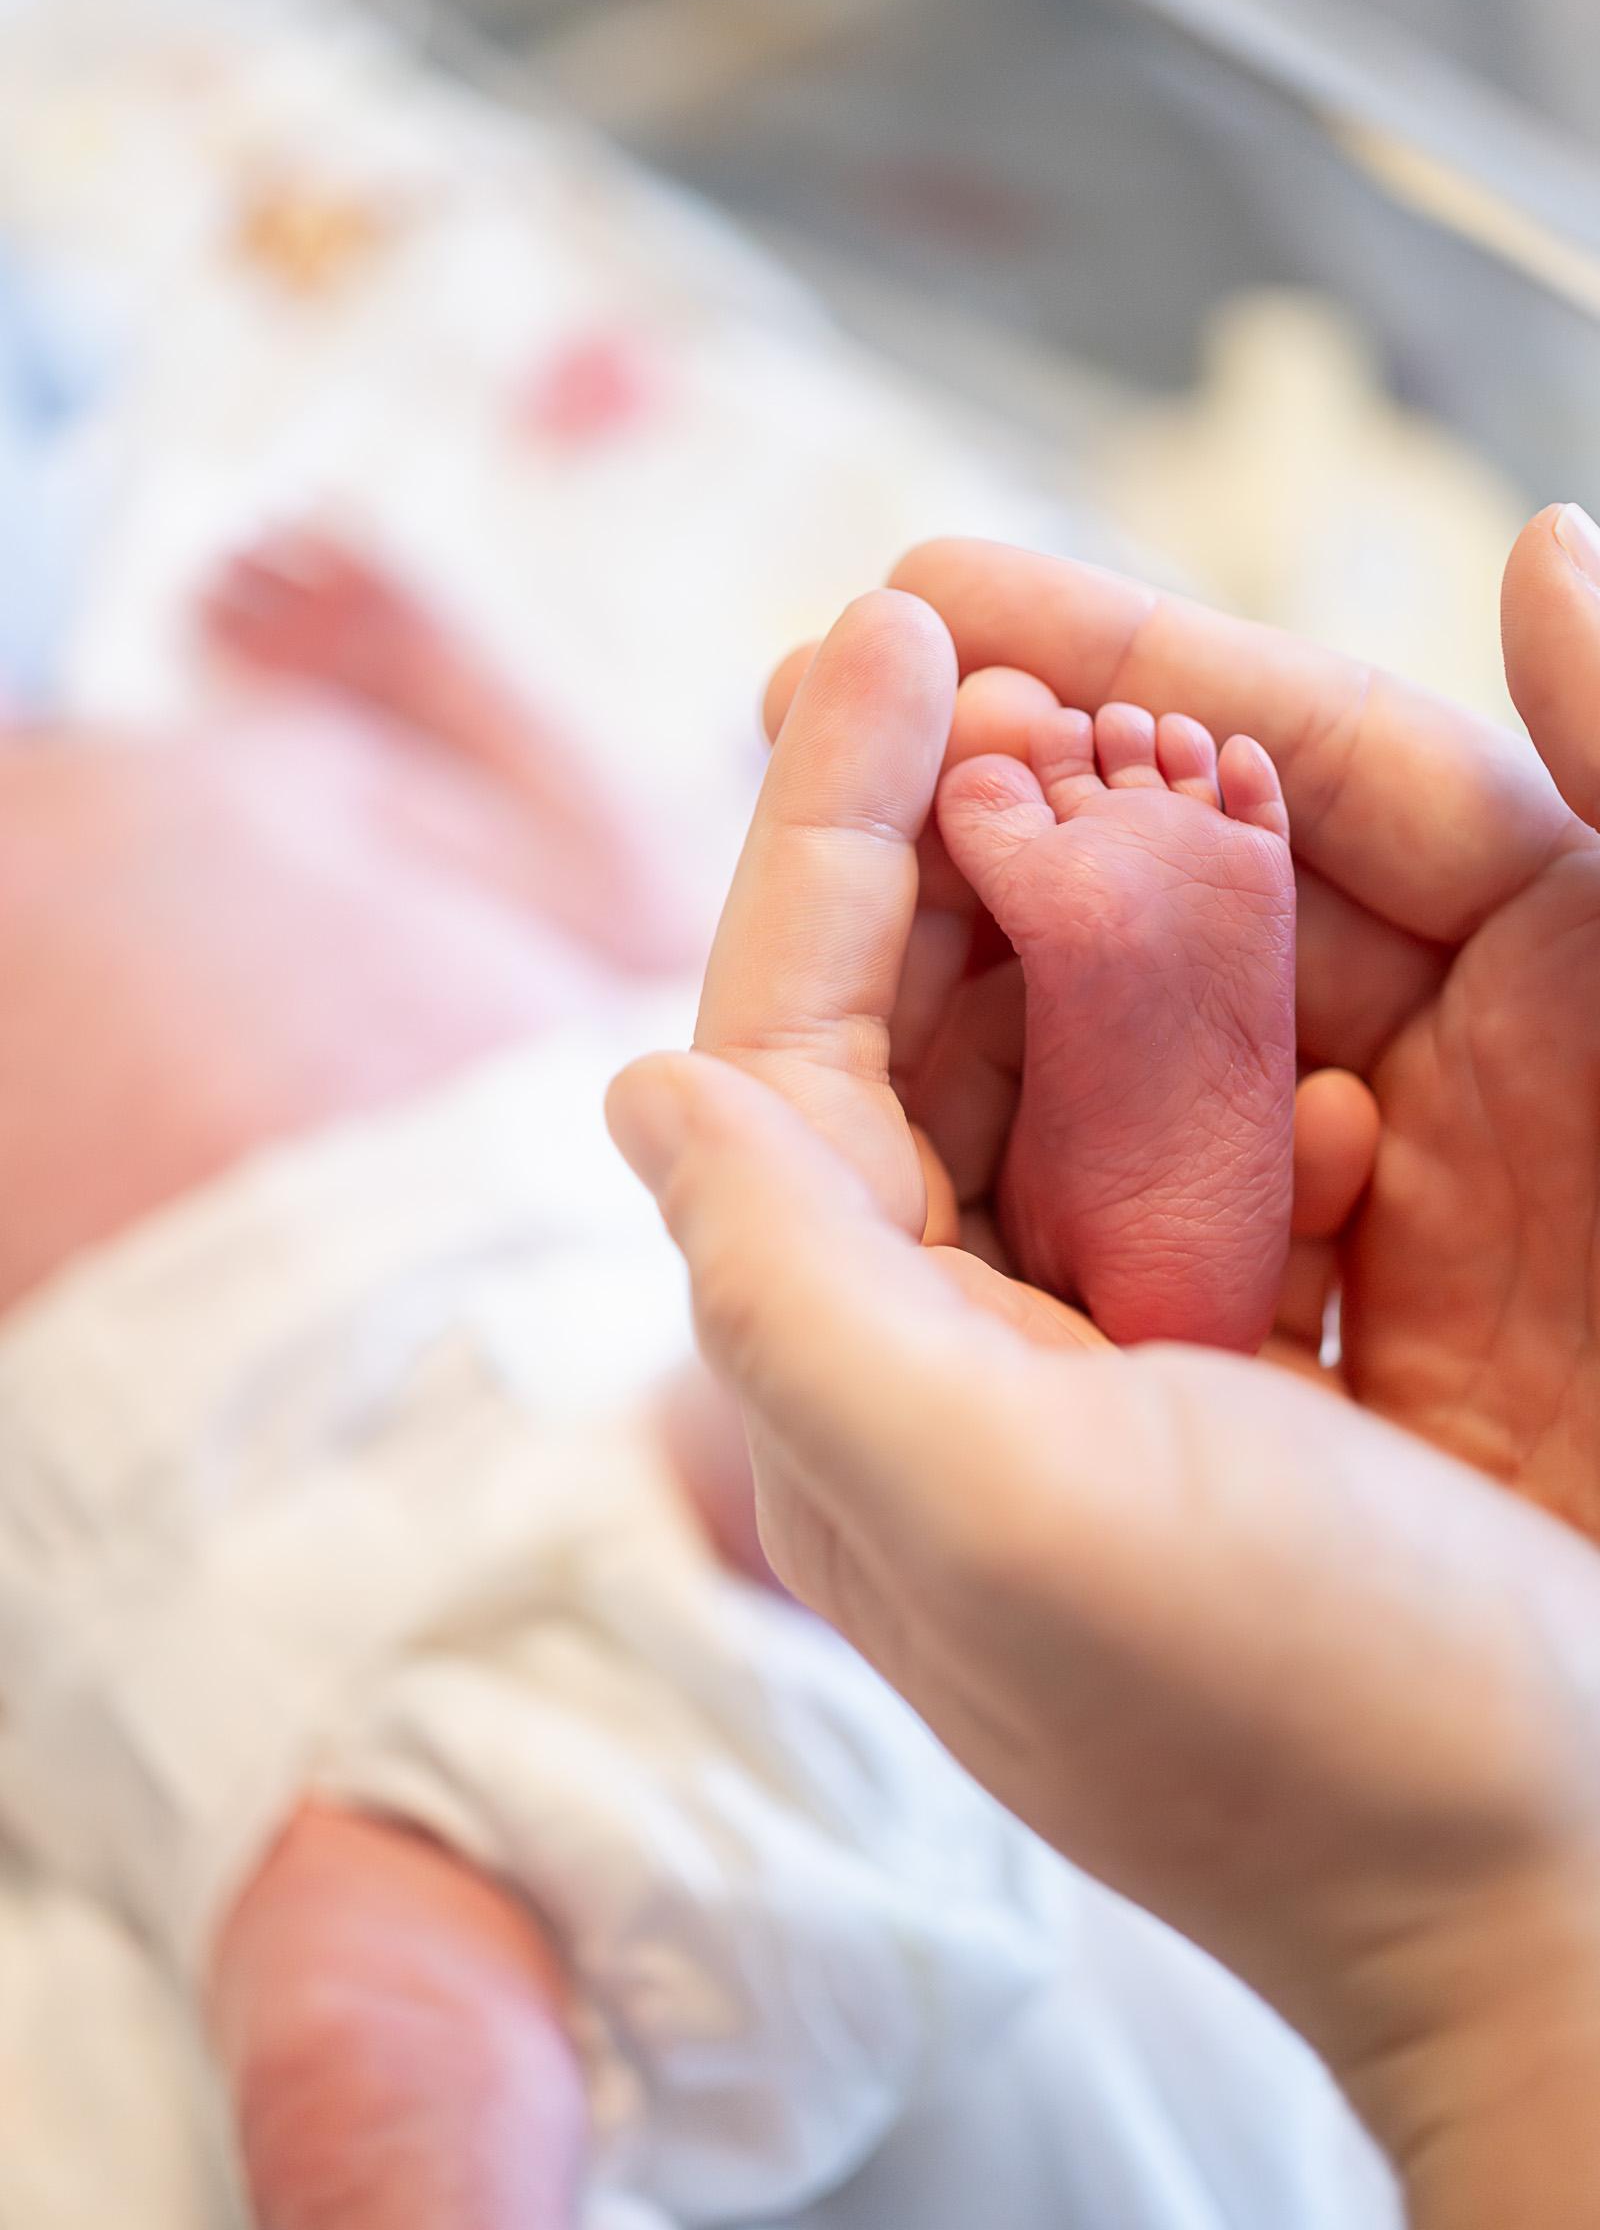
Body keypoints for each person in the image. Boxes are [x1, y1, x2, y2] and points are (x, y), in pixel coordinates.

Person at [0, 532, 1066, 2230]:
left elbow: (658, 912)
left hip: (627, 1325)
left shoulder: (251, 748)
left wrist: (442, 686)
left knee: (832, 1295)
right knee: (378, 2055)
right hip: (284, 1548)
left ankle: (993, 1241)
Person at [608, 501, 1600, 2229]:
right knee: (723, 1472)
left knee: (746, 1442)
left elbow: (592, 881)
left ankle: (1126, 1288)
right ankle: (1144, 1273)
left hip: (466, 1205)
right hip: (429, 1302)